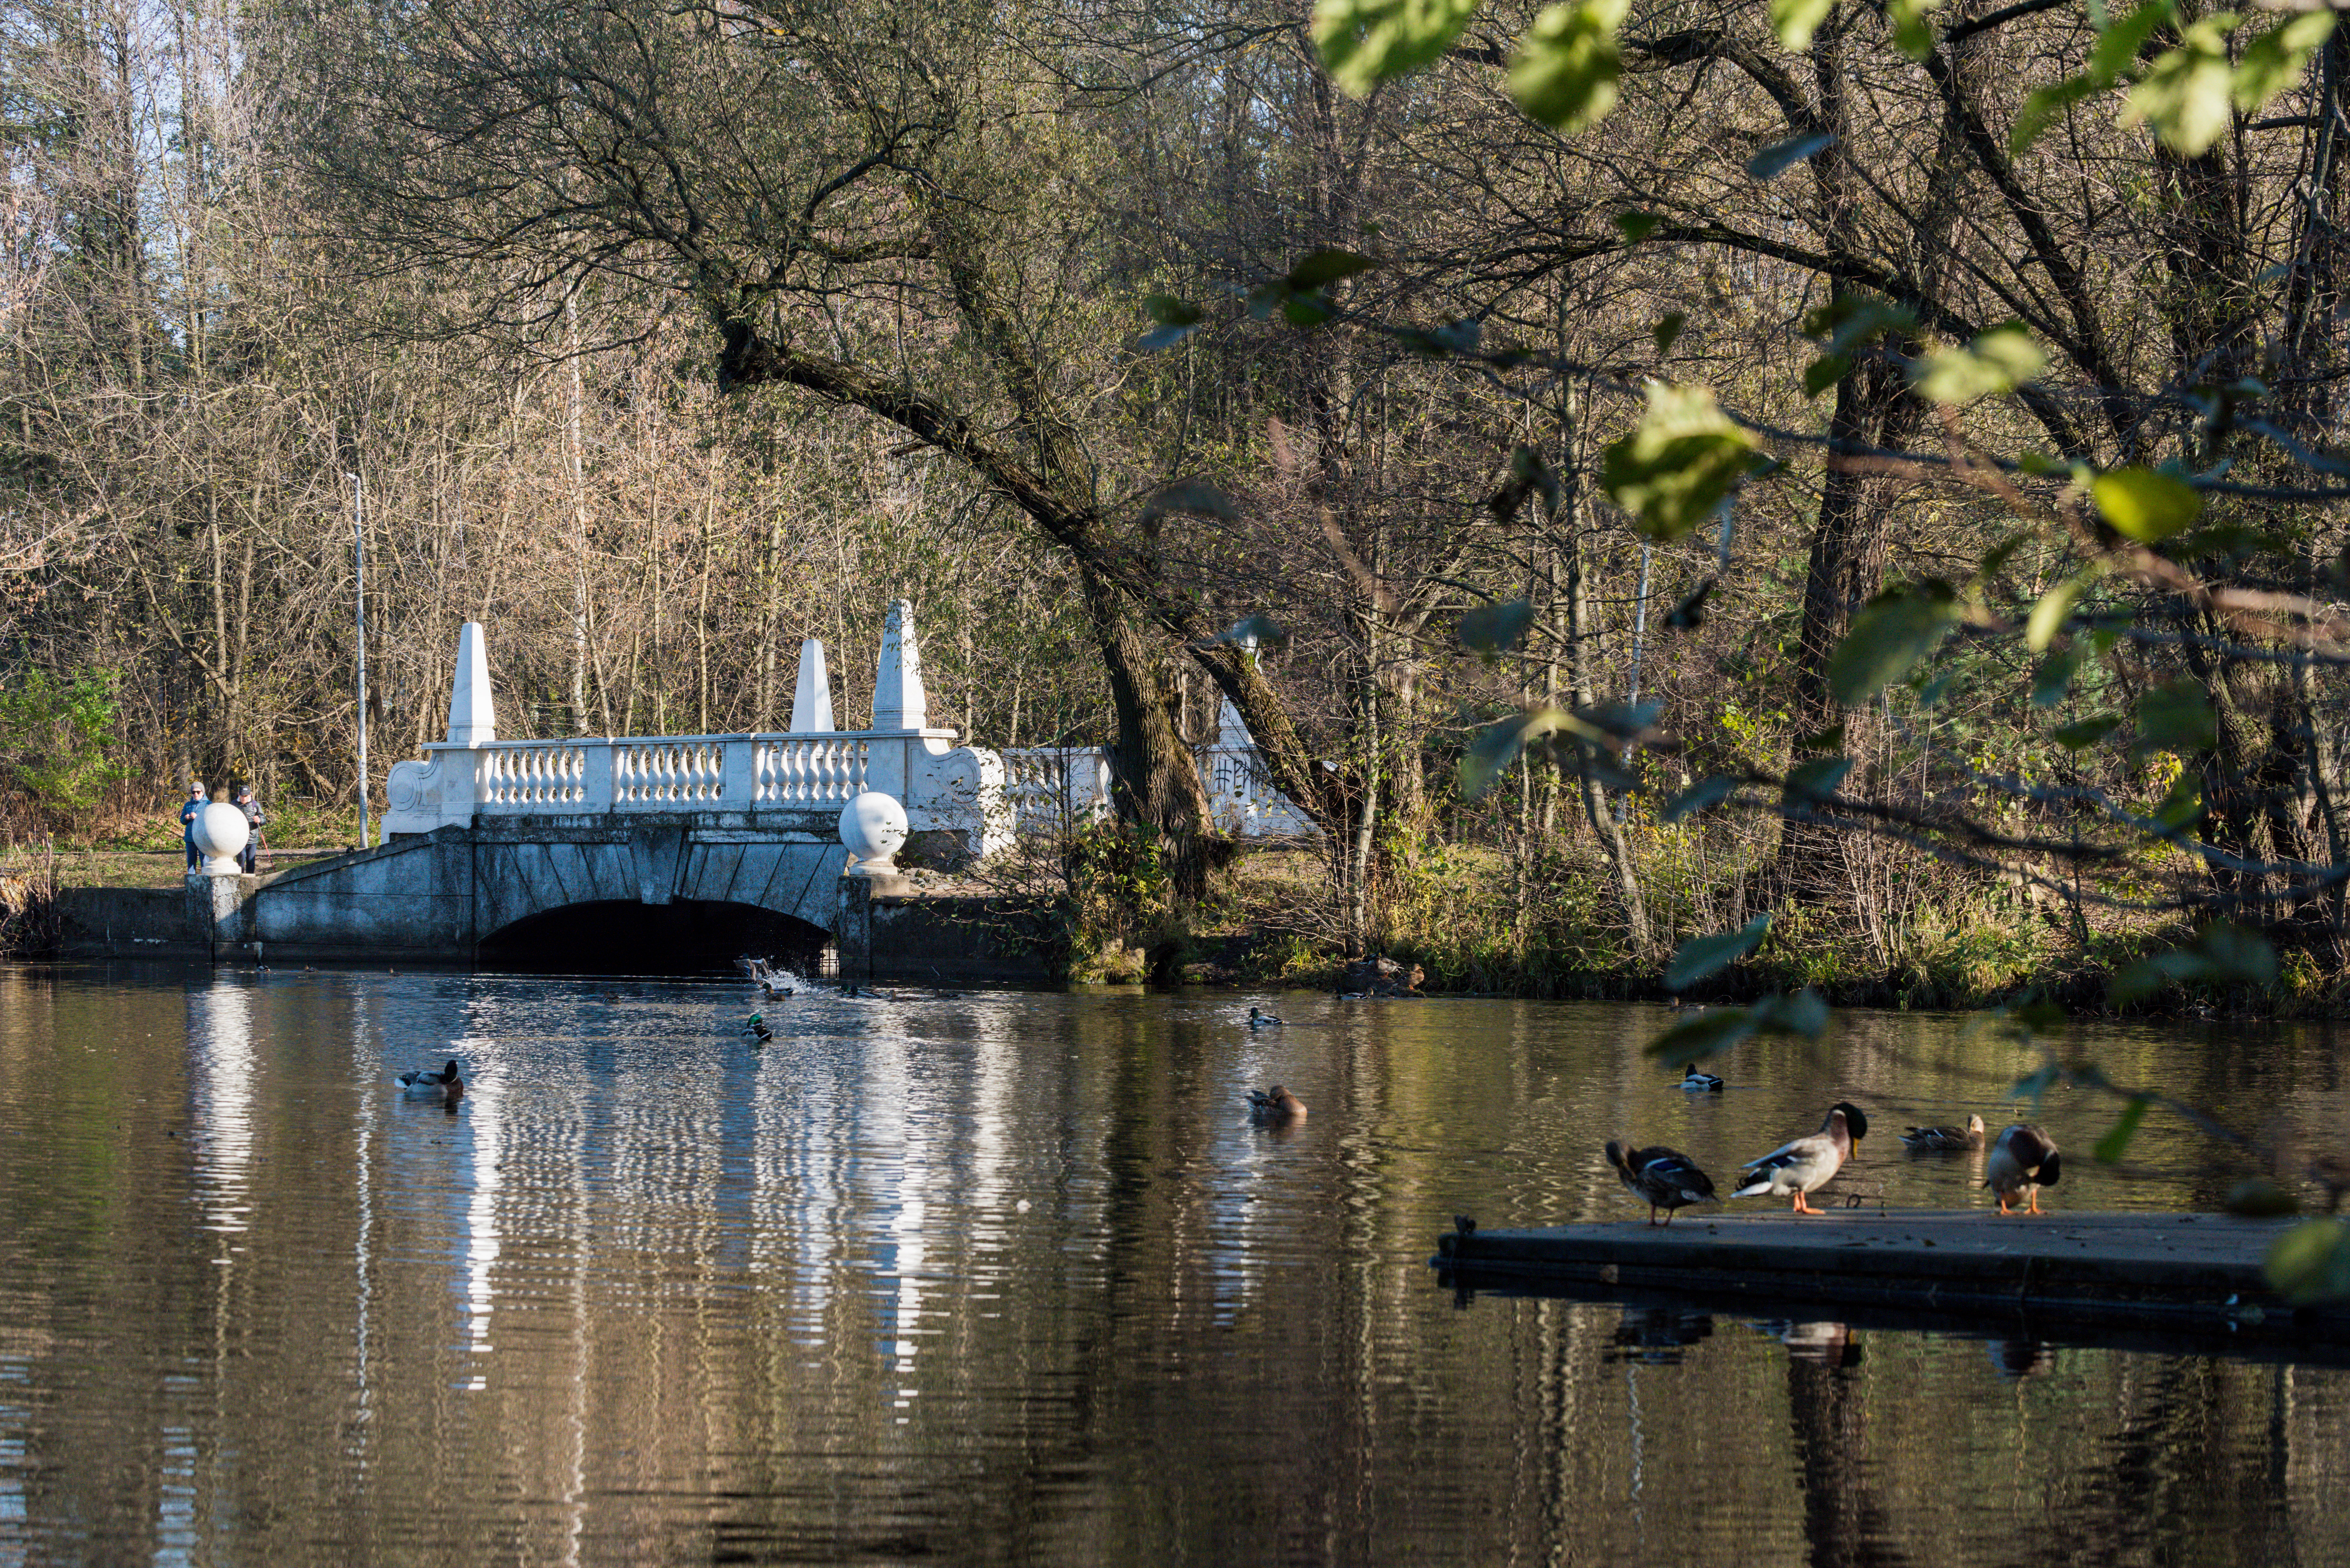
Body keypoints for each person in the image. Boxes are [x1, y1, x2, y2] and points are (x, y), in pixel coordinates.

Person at [234, 784, 267, 874]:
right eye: (242, 796)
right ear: (239, 794)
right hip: (238, 837)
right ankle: (240, 876)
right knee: (241, 857)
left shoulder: (255, 805)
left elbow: (264, 819)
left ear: (251, 794)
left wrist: (260, 820)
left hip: (252, 837)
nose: (244, 798)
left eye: (246, 796)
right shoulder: (233, 804)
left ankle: (250, 878)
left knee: (251, 859)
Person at [179, 783, 208, 870]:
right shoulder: (188, 805)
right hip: (190, 837)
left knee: (205, 861)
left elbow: (210, 821)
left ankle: (206, 878)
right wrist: (186, 818)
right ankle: (191, 880)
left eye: (198, 792)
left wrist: (198, 817)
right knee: (191, 861)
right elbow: (182, 821)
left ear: (203, 793)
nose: (196, 794)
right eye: (193, 792)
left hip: (203, 837)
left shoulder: (208, 804)